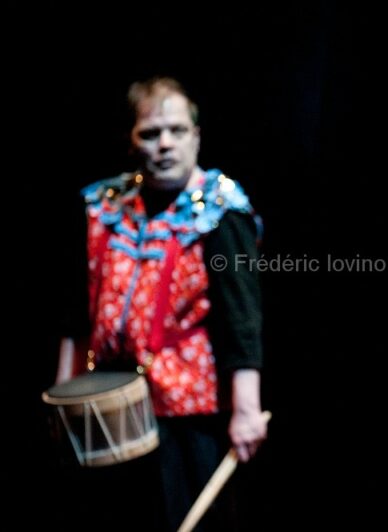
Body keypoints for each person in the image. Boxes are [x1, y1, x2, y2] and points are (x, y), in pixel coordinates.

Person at [56, 77, 267, 531]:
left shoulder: (219, 211)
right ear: (131, 141)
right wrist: (65, 394)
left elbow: (241, 320)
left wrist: (247, 409)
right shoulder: (105, 205)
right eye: (150, 133)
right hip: (111, 396)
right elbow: (76, 310)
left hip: (188, 408)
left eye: (176, 131)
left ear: (196, 136)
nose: (165, 144)